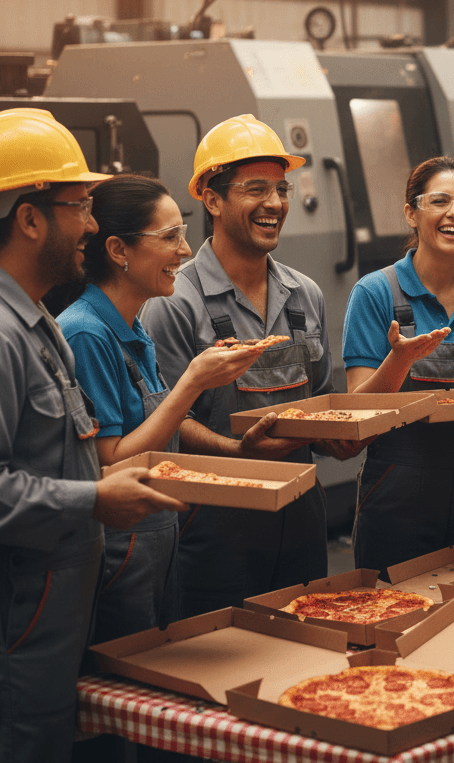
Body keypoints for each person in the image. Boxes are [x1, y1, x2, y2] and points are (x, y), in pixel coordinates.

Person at [0, 108, 185, 763]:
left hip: (56, 619)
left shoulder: (35, 321)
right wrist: (94, 498)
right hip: (15, 631)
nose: (93, 226)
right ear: (29, 217)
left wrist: (98, 487)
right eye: (78, 206)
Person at [141, 114, 354, 616]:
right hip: (215, 526)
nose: (276, 204)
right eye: (255, 189)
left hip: (301, 516)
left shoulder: (307, 295)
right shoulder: (175, 302)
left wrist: (340, 433)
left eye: (281, 189)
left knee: (302, 655)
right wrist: (236, 450)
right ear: (212, 199)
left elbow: (319, 401)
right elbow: (166, 424)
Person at [58, 174, 265, 644]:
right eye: (170, 237)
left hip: (159, 541)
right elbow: (113, 460)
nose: (186, 251)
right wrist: (192, 382)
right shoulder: (86, 333)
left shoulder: (133, 327)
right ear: (118, 250)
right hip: (121, 549)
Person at [343, 156, 454, 576]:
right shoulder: (375, 293)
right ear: (411, 212)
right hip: (398, 488)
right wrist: (400, 360)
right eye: (439, 201)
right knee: (393, 613)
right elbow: (356, 410)